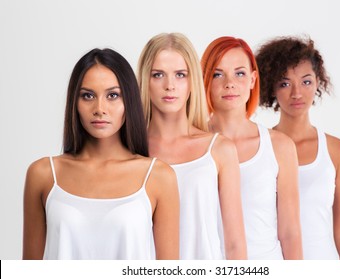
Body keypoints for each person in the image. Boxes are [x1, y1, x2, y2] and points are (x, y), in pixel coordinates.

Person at [23, 48, 179, 260]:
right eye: (88, 96)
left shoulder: (158, 176)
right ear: (74, 103)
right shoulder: (43, 174)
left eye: (113, 95)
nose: (100, 108)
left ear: (129, 101)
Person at [137, 33, 247, 260]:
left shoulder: (219, 150)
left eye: (180, 75)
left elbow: (235, 244)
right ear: (145, 80)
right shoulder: (130, 149)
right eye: (158, 75)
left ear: (192, 82)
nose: (170, 86)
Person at [255, 36, 340, 259]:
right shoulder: (259, 148)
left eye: (306, 81)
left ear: (318, 82)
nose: (297, 93)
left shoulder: (336, 150)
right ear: (271, 87)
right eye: (284, 83)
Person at [201, 36, 302, 260]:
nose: (230, 83)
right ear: (204, 80)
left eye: (240, 73)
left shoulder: (279, 146)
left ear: (253, 80)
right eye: (218, 74)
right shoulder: (191, 145)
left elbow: (290, 233)